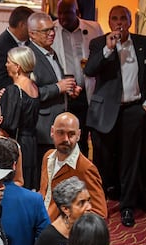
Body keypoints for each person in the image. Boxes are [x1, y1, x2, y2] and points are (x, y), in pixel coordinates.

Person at [84, 6, 146, 228]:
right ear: (109, 21)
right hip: (105, 112)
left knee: (130, 160)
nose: (118, 22)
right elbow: (90, 71)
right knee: (103, 160)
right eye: (114, 18)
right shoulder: (99, 44)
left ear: (130, 22)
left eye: (122, 18)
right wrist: (108, 49)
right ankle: (100, 203)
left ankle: (127, 206)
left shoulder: (144, 43)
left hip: (134, 110)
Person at [27, 12, 81, 187]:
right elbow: (30, 93)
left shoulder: (50, 51)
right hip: (43, 127)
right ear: (32, 34)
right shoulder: (29, 55)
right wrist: (59, 88)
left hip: (57, 122)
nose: (51, 33)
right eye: (45, 31)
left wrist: (69, 89)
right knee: (44, 178)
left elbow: (55, 79)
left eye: (52, 29)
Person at [51, 0, 103, 156]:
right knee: (68, 139)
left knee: (90, 138)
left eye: (67, 13)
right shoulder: (51, 30)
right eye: (59, 13)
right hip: (64, 94)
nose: (62, 17)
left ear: (78, 13)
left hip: (89, 93)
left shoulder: (94, 29)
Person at [39, 112, 106, 221]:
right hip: (41, 222)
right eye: (60, 133)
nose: (65, 139)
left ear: (78, 135)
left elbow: (99, 213)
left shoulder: (85, 168)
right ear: (52, 132)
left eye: (71, 134)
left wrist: (65, 227)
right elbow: (45, 194)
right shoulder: (47, 157)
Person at [0, 46, 39, 189]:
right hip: (32, 144)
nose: (6, 64)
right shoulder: (34, 86)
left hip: (17, 146)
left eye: (9, 62)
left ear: (18, 67)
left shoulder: (13, 91)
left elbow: (6, 126)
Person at [0, 6, 35, 100]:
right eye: (30, 27)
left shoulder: (29, 42)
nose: (32, 31)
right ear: (22, 25)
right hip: (8, 99)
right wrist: (24, 83)